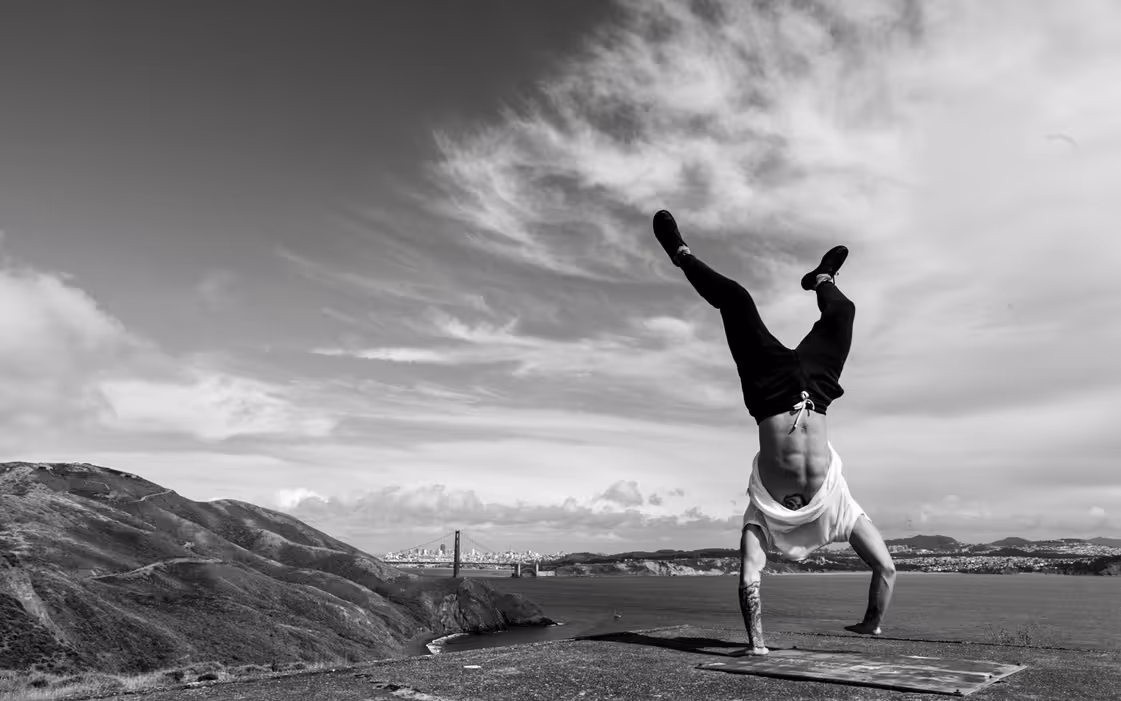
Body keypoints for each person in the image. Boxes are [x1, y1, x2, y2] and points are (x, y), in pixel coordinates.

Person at [651, 210, 896, 656]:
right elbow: (887, 569)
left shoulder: (761, 516)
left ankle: (682, 255)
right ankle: (824, 279)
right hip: (815, 393)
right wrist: (872, 624)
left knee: (737, 299)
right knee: (844, 311)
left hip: (768, 391)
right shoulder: (837, 506)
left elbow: (749, 576)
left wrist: (757, 646)